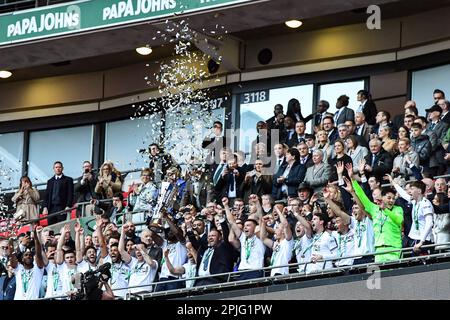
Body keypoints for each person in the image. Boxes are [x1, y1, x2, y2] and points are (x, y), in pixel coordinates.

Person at [351, 178, 403, 263]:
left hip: (394, 250)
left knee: (394, 275)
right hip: (379, 251)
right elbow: (362, 196)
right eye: (389, 198)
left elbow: (399, 220)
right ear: (382, 198)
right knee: (381, 276)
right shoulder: (374, 209)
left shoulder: (398, 209)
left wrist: (385, 209)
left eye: (393, 199)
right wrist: (353, 179)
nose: (391, 201)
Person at [389, 177, 434, 255]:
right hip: (415, 238)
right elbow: (403, 194)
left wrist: (421, 242)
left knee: (425, 264)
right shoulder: (414, 202)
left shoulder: (426, 203)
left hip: (424, 240)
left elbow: (429, 223)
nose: (409, 191)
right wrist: (393, 182)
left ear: (419, 191)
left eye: (412, 189)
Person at [225, 198, 266, 280]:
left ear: (255, 227)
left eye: (248, 225)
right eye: (245, 226)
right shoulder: (243, 238)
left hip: (255, 271)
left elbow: (261, 219)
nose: (245, 227)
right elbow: (232, 222)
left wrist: (257, 202)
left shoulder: (260, 238)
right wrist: (226, 205)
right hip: (242, 272)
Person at [118, 225, 158, 294]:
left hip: (144, 293)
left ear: (147, 251)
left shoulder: (153, 262)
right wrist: (123, 232)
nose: (138, 251)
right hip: (131, 293)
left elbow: (151, 263)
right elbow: (121, 250)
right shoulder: (133, 261)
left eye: (141, 249)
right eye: (136, 250)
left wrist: (140, 249)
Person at [13, 226, 45, 300]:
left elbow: (39, 254)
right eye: (26, 255)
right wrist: (22, 244)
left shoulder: (38, 270)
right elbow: (14, 256)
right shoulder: (19, 269)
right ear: (22, 259)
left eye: (30, 255)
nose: (28, 256)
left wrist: (36, 237)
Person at [260, 206, 293, 276]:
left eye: (277, 228)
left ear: (284, 231)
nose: (275, 230)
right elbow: (263, 238)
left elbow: (286, 225)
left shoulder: (288, 242)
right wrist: (263, 223)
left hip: (282, 274)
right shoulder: (276, 244)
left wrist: (277, 210)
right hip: (273, 274)